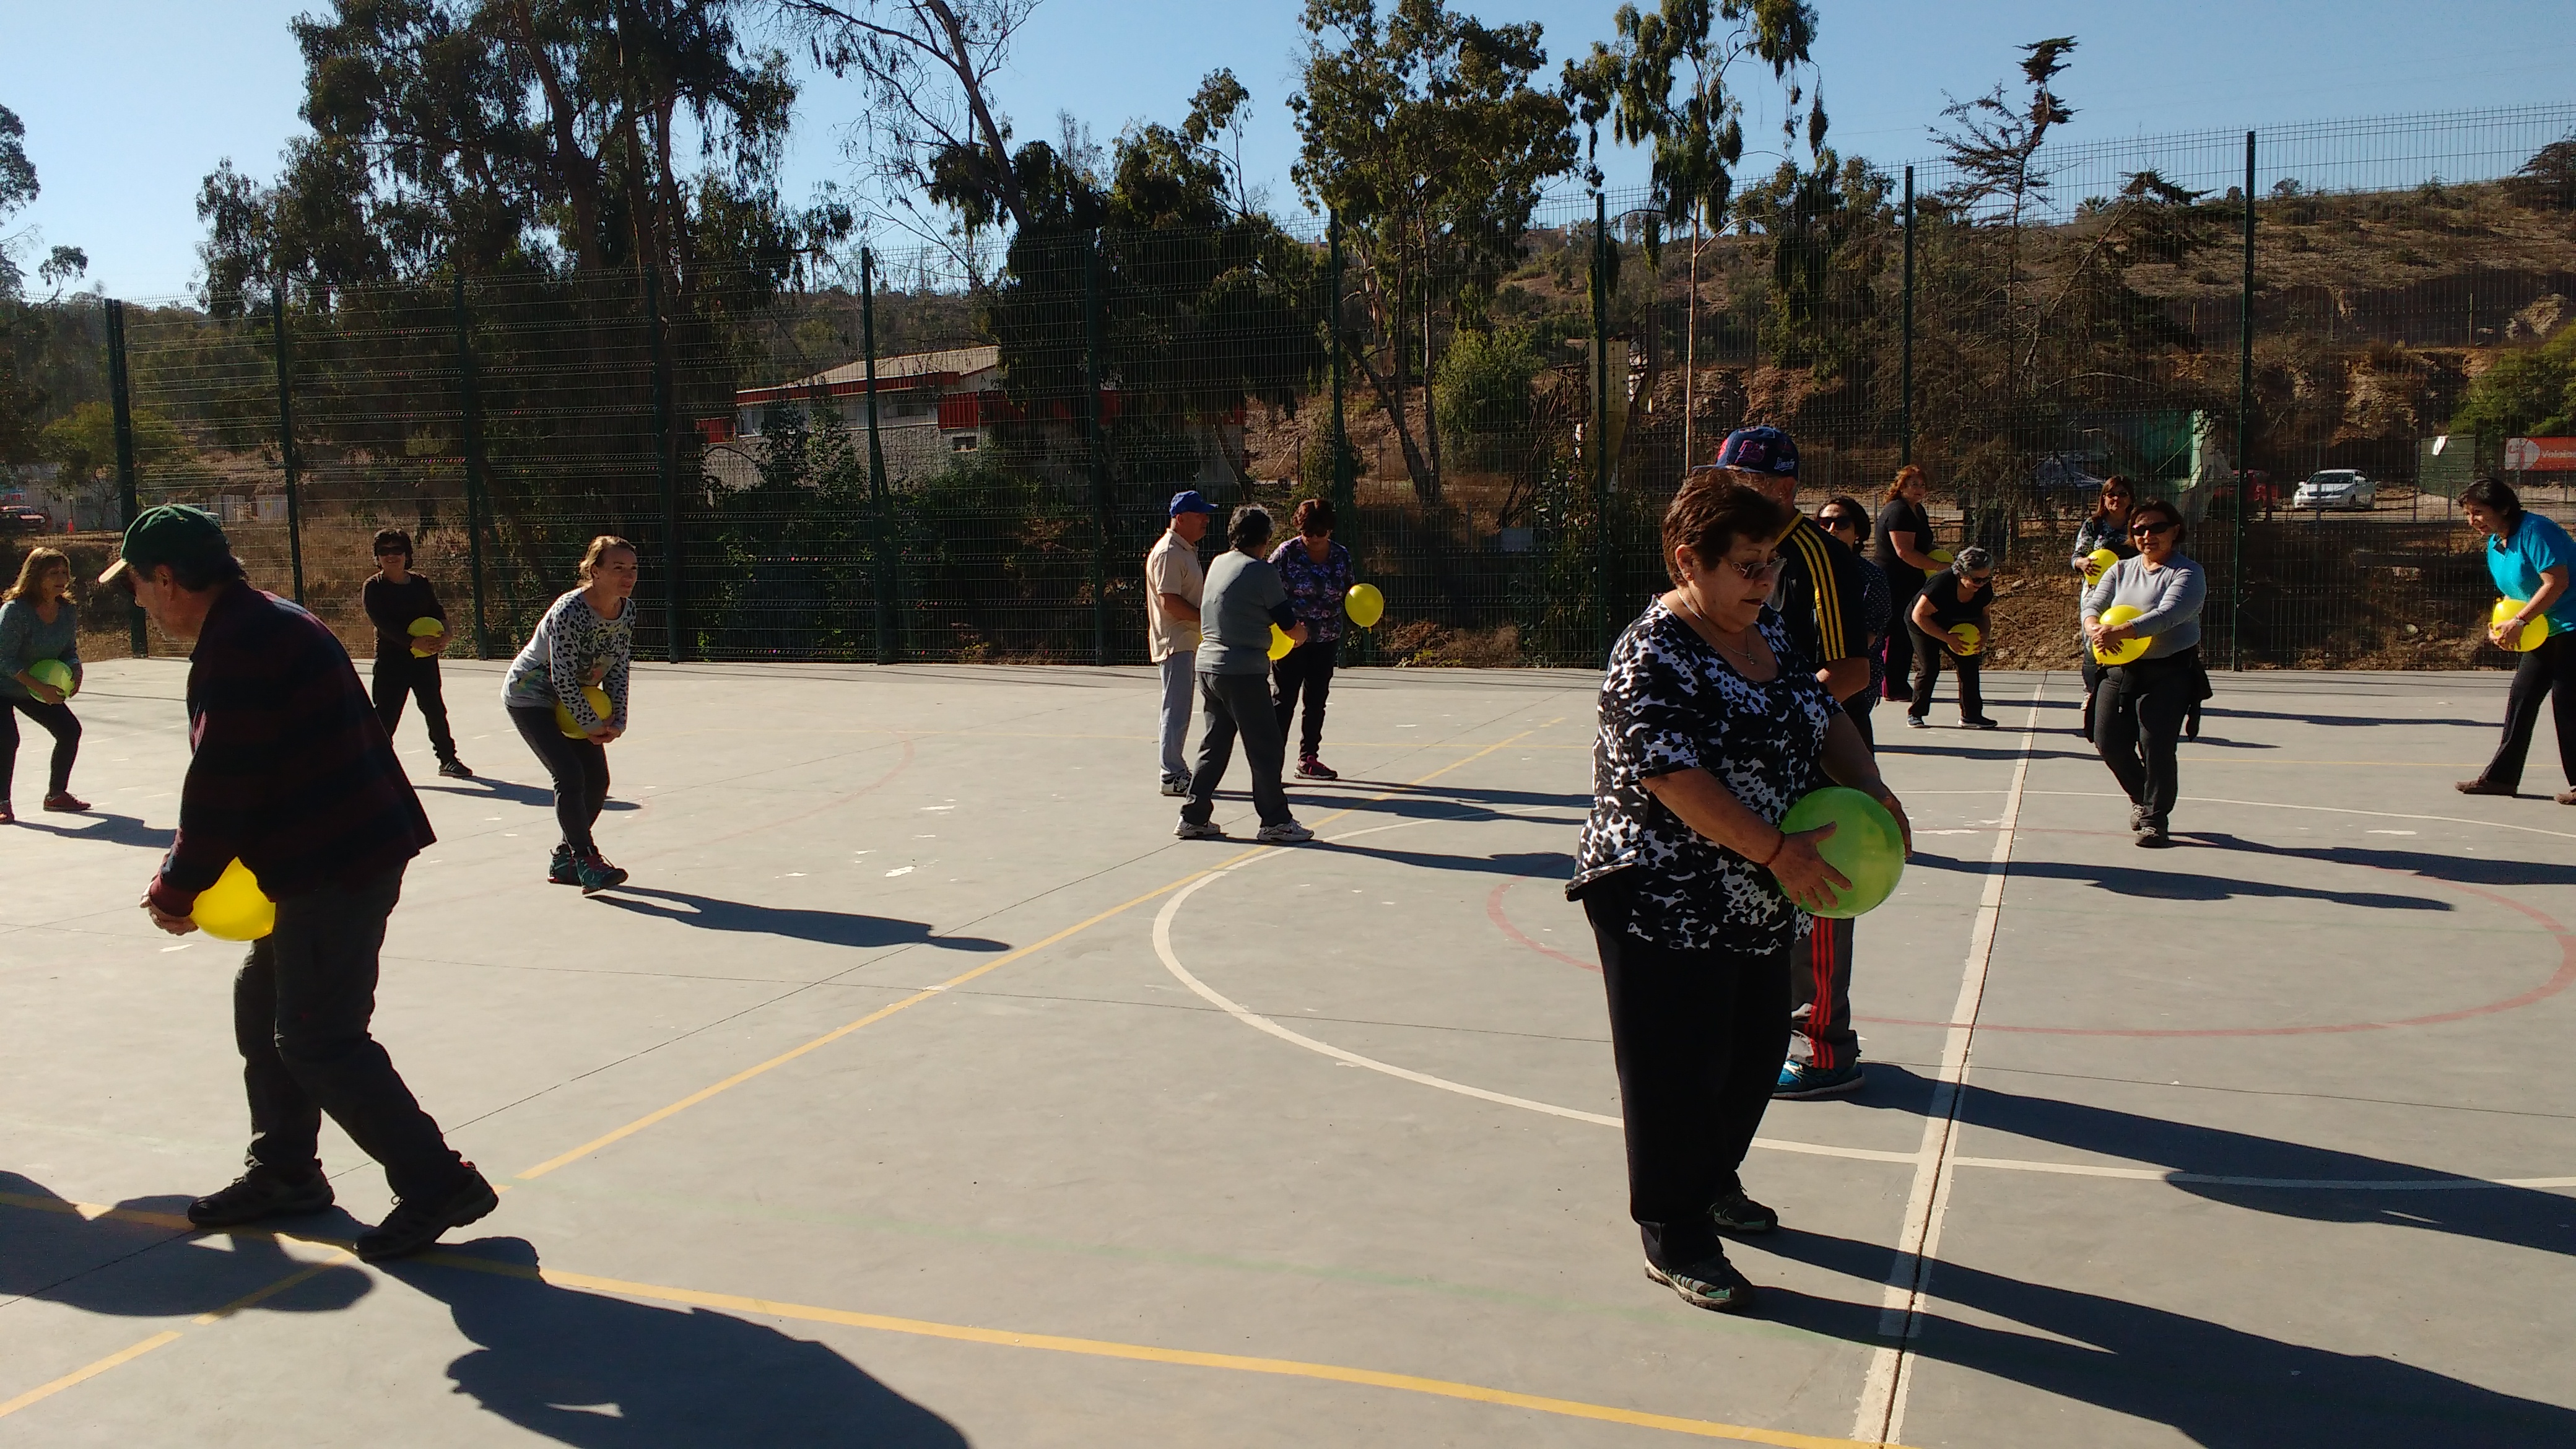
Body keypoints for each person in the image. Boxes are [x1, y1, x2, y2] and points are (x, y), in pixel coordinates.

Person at [107, 503, 495, 1262]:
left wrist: (177, 886)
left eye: (138, 587)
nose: (139, 603)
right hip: (329, 849)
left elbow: (223, 782)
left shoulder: (242, 644)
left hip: (337, 860)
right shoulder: (263, 619)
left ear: (167, 578)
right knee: (264, 1005)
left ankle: (438, 1182)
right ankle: (286, 1171)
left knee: (319, 1036)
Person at [1567, 473, 1910, 1313]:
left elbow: (1820, 715)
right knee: (1674, 1070)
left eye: (1771, 565)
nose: (1765, 581)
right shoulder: (1653, 652)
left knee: (1753, 1053)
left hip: (1758, 887)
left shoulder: (1769, 634)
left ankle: (1711, 1178)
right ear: (1690, 562)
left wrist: (1870, 786)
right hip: (1661, 892)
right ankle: (1674, 1231)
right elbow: (1671, 776)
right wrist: (1776, 851)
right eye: (1747, 565)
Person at [1699, 428, 1879, 1101]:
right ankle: (1767, 1032)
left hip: (1819, 760)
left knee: (1821, 901)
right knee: (1770, 895)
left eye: (1737, 479)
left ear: (1781, 488)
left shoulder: (1816, 559)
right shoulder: (1734, 550)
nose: (1723, 488)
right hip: (1764, 757)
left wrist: (1771, 714)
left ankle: (1826, 1050)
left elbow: (1851, 669)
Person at [504, 535, 637, 892]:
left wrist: (617, 721)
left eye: (633, 568)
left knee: (598, 780)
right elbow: (561, 676)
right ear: (595, 571)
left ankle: (565, 859)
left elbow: (618, 668)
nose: (628, 576)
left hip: (576, 701)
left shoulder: (627, 611)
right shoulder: (570, 611)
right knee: (568, 773)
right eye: (618, 568)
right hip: (532, 697)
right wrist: (591, 723)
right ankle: (587, 860)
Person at [1175, 505, 1313, 845]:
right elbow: (1286, 622)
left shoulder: (1219, 563)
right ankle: (1275, 821)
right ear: (1265, 539)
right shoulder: (1262, 571)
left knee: (1215, 744)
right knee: (1266, 746)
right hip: (1242, 671)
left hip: (1209, 666)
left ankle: (1193, 816)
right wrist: (1301, 635)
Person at [2082, 499, 2207, 847]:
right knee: (2106, 739)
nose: (2147, 535)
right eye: (2139, 529)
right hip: (2119, 668)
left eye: (2156, 528)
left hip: (2168, 670)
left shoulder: (2187, 573)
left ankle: (2155, 820)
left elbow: (2170, 614)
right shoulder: (2121, 569)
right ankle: (2142, 797)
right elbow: (2094, 604)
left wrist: (2121, 631)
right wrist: (2094, 627)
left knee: (2155, 744)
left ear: (2175, 531)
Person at [2454, 476, 2576, 804]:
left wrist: (2521, 621)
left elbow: (2557, 582)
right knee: (2522, 697)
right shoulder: (2496, 543)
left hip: (2572, 625)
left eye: (2479, 512)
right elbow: (2515, 594)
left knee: (2567, 703)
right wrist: (2501, 626)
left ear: (2505, 508)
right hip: (2544, 628)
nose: (2472, 521)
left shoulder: (2537, 531)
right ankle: (2501, 779)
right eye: (2468, 514)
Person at [362, 528, 472, 780]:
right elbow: (382, 624)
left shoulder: (420, 583)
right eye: (384, 551)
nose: (391, 556)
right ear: (377, 556)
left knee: (435, 710)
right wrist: (412, 642)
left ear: (407, 554)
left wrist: (447, 632)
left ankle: (448, 760)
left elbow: (436, 610)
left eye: (397, 550)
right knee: (386, 715)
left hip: (424, 660)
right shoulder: (373, 587)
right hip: (392, 661)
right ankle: (375, 765)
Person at [1269, 497, 1355, 780]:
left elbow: (1352, 592)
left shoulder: (1341, 556)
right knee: (1283, 700)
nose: (1315, 538)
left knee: (1317, 700)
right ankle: (1270, 765)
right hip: (1290, 639)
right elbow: (1267, 590)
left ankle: (1308, 759)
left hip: (1326, 638)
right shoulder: (1286, 554)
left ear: (1330, 530)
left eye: (1321, 532)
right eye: (1308, 532)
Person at [0, 546, 89, 821]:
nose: (62, 579)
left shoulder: (67, 610)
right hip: (3, 684)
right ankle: (2, 803)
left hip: (31, 686)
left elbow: (68, 650)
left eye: (65, 572)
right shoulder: (15, 611)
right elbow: (4, 659)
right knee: (7, 739)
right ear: (36, 576)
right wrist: (40, 689)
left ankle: (56, 796)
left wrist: (76, 669)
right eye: (54, 573)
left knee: (69, 731)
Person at [1147, 490, 1221, 796]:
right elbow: (1170, 601)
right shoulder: (1169, 553)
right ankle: (1171, 774)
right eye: (1199, 514)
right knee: (1175, 709)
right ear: (1179, 518)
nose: (1205, 520)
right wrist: (1206, 620)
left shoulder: (1184, 549)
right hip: (1174, 641)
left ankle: (1175, 770)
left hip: (1188, 640)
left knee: (1181, 707)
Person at [1815, 497, 1891, 749]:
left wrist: (1835, 669)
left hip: (1853, 675)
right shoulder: (1802, 571)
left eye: (1842, 523)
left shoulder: (1872, 577)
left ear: (1858, 533)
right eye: (1825, 522)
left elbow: (1870, 633)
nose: (1832, 529)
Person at [2069, 477, 2138, 741]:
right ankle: (2092, 692)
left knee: (2125, 641)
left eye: (2122, 494)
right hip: (2096, 592)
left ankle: (2123, 692)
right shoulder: (2093, 524)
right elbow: (2076, 556)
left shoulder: (2137, 524)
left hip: (2130, 594)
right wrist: (2083, 563)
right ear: (2104, 498)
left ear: (2131, 497)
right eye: (2111, 494)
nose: (2116, 499)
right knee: (2093, 645)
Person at [1905, 546, 2000, 731]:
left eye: (1986, 578)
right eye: (1976, 579)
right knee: (1930, 667)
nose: (1981, 584)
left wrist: (1984, 634)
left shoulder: (1984, 589)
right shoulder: (1941, 584)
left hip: (1955, 622)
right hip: (1924, 622)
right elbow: (1919, 615)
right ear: (1961, 573)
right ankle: (1915, 714)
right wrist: (1947, 638)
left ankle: (1971, 716)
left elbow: (1984, 616)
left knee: (1969, 663)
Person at [1871, 464, 1942, 703]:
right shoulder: (1898, 511)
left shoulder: (1918, 510)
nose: (1919, 489)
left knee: (1906, 631)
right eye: (1914, 484)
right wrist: (1939, 567)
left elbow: (1924, 545)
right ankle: (1890, 687)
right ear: (1902, 487)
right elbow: (1905, 552)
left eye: (1922, 485)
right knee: (1896, 631)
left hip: (1912, 579)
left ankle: (1898, 683)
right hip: (1892, 579)